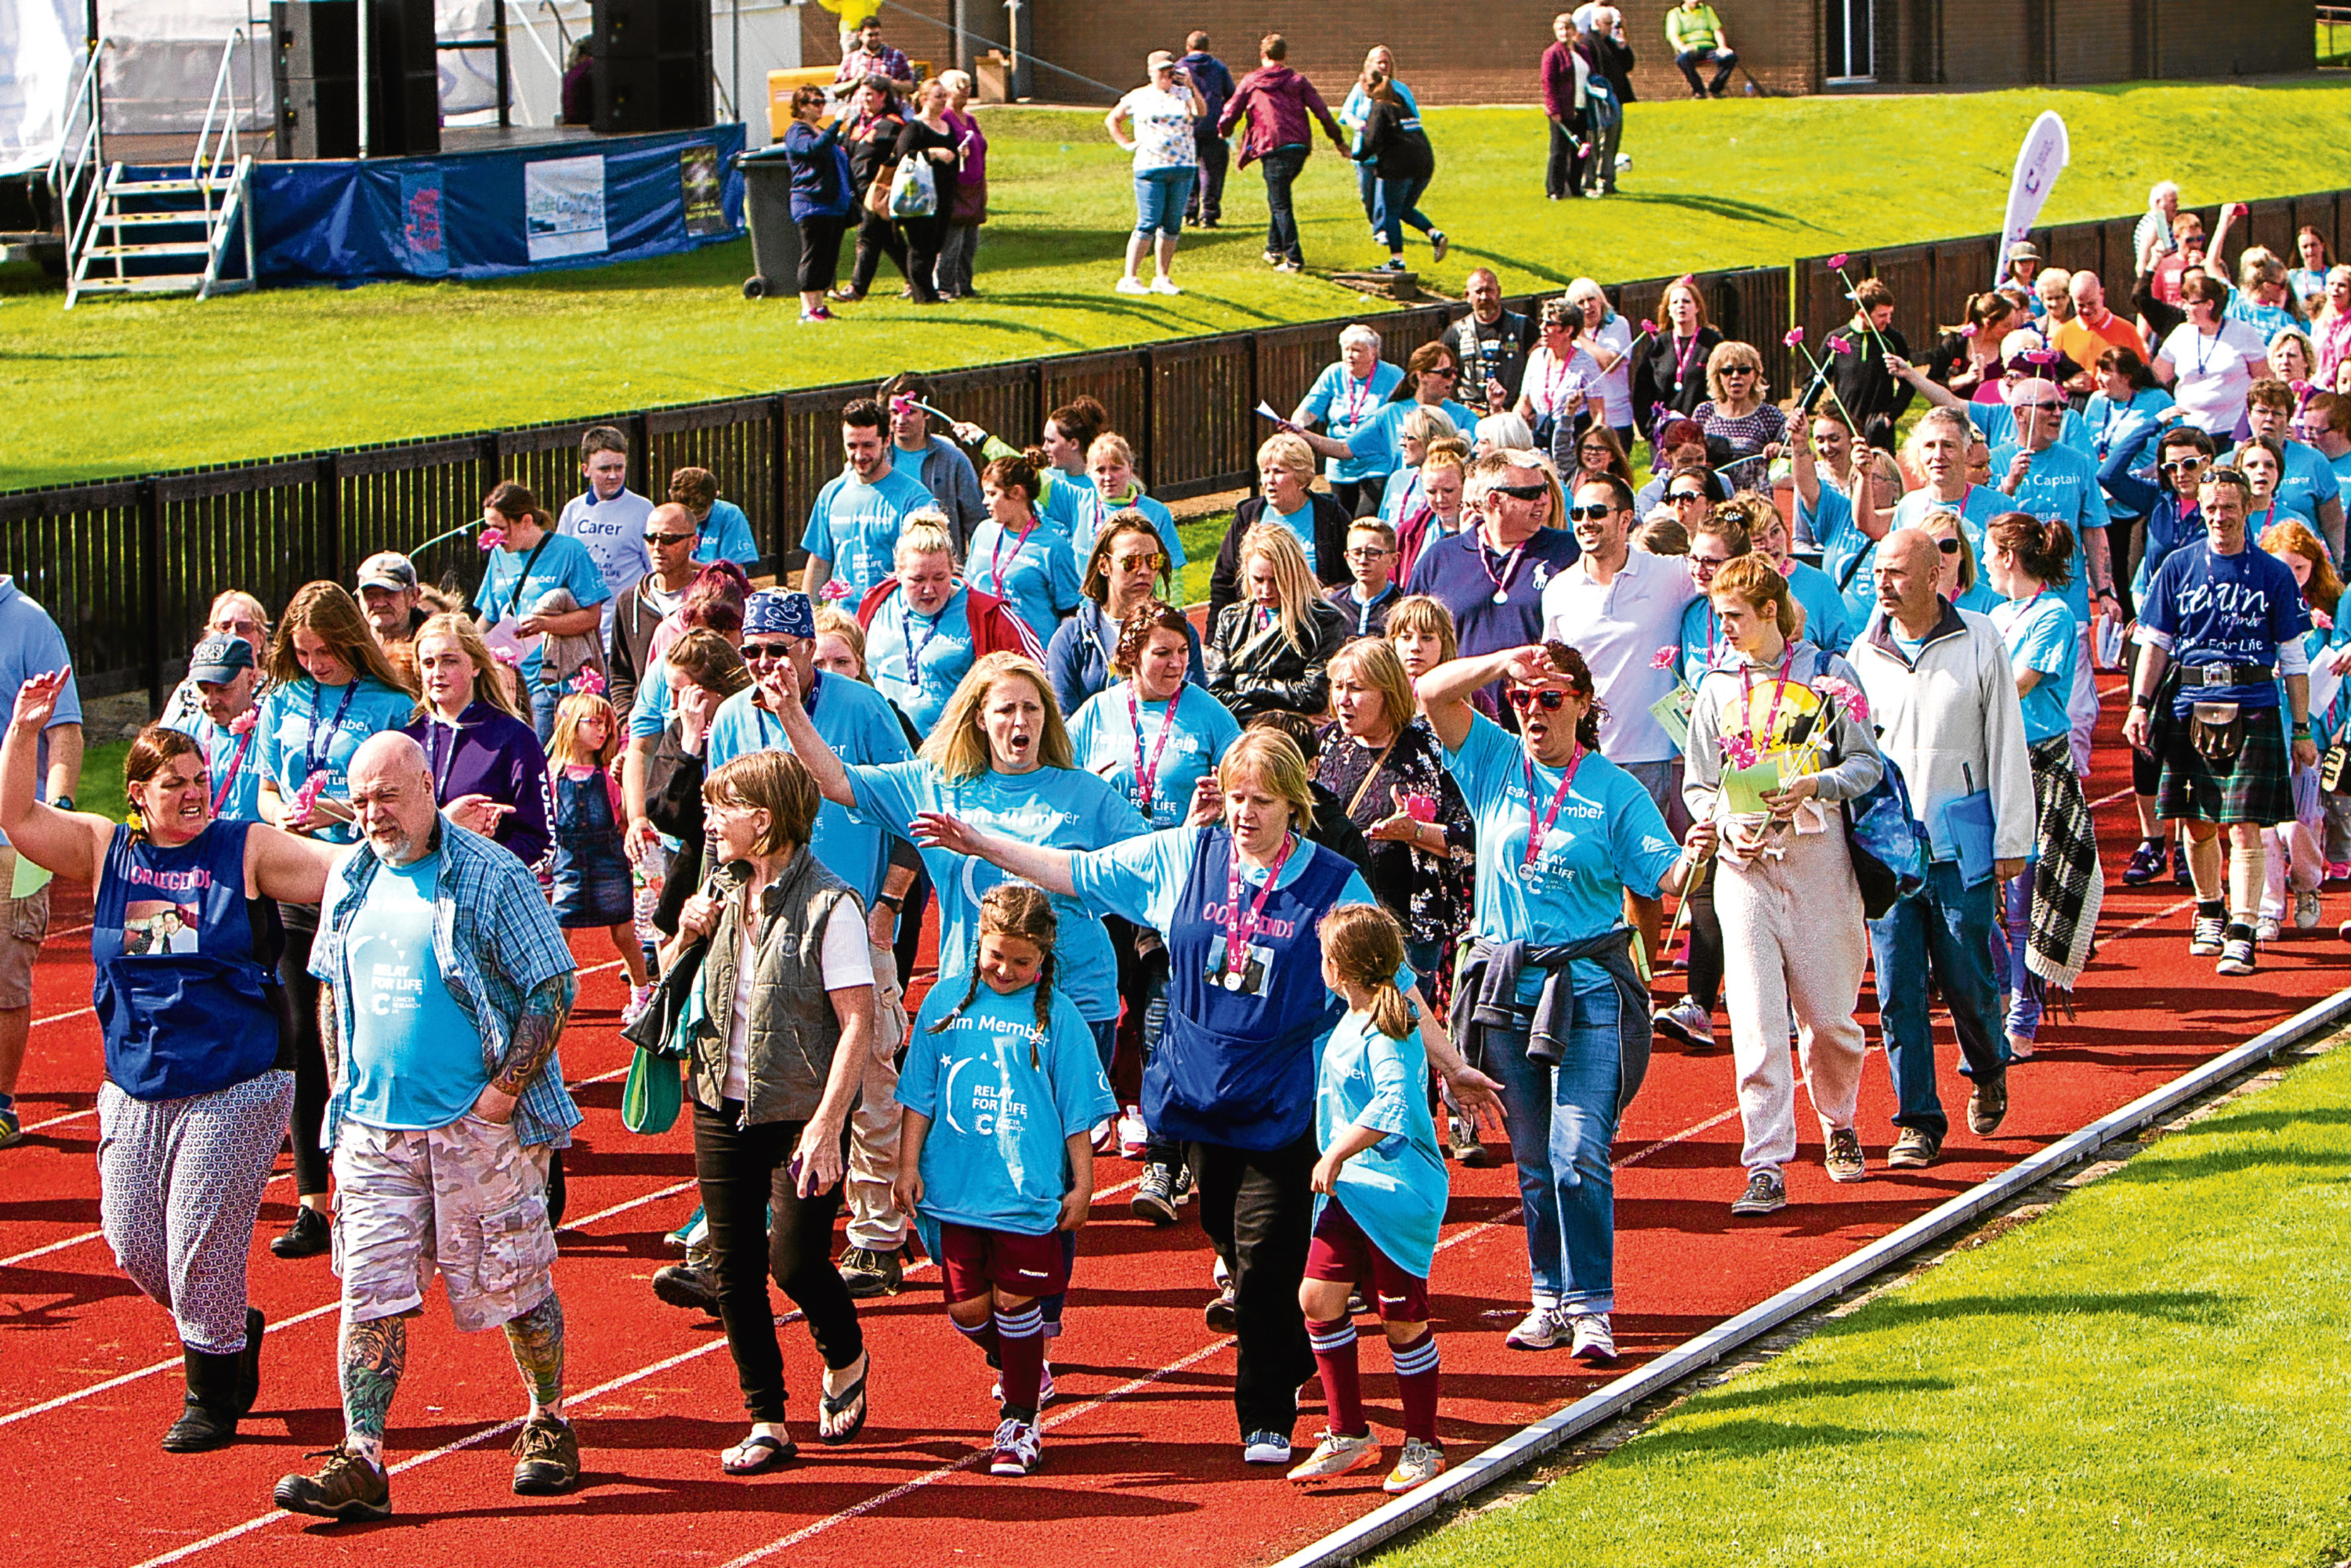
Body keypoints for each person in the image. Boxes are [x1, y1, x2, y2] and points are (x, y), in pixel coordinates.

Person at [913, 726, 1498, 1465]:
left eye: (1260, 800)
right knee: (1225, 1232)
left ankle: (1266, 1417)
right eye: (1235, 797)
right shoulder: (1184, 856)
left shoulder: (1331, 883)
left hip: (1286, 1101)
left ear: (1294, 803)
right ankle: (1289, 1355)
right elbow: (1076, 870)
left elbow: (1394, 985)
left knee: (1263, 1259)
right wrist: (980, 843)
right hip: (1198, 1094)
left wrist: (1450, 1065)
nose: (1244, 814)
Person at [2, 695, 335, 1446]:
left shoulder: (242, 846)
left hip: (238, 1079)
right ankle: (226, 1324)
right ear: (136, 796)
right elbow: (18, 819)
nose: (192, 791)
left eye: (199, 776)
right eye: (174, 782)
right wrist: (24, 733)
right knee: (133, 1245)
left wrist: (423, 834)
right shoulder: (102, 848)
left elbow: (334, 873)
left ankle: (211, 1395)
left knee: (198, 1241)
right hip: (136, 1082)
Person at [272, 733, 581, 1519]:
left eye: (390, 795)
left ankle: (548, 1418)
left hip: (473, 1124)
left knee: (516, 1286)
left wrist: (504, 1096)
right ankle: (364, 1456)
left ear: (425, 788)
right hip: (373, 1130)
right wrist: (342, 1093)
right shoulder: (349, 875)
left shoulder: (490, 874)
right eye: (363, 798)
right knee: (366, 1296)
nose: (375, 813)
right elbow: (329, 984)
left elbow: (551, 987)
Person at [1418, 639, 1682, 1361]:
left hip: (1590, 985)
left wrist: (1707, 852)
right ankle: (1547, 1297)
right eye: (1523, 700)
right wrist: (1505, 662)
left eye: (1551, 698)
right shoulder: (1494, 761)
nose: (1533, 711)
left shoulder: (1615, 789)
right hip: (1508, 988)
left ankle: (1593, 1305)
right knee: (1533, 1156)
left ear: (1583, 706)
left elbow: (1663, 871)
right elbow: (1432, 692)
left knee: (1577, 1149)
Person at [694, 590, 918, 1299]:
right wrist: (709, 904)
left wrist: (888, 905)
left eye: (778, 650)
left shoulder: (862, 708)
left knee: (871, 1070)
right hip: (758, 922)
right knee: (756, 1073)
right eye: (752, 650)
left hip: (849, 917)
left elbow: (913, 811)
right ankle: (744, 1233)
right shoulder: (731, 718)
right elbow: (714, 820)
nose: (764, 663)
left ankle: (877, 1235)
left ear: (806, 648)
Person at [780, 650, 1147, 1079]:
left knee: (1063, 1140)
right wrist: (789, 710)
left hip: (1075, 998)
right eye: (1006, 709)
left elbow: (1148, 862)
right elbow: (836, 781)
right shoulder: (933, 785)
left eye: (1032, 708)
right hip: (973, 1000)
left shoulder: (1085, 793)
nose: (1020, 721)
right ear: (979, 718)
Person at [664, 750, 877, 1472]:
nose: (709, 820)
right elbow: (668, 982)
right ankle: (767, 1418)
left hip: (798, 1109)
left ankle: (845, 1353)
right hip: (719, 1102)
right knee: (733, 1269)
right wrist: (687, 933)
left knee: (794, 1261)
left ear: (764, 819)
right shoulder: (718, 886)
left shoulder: (831, 904)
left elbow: (857, 1023)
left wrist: (826, 1123)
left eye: (722, 807)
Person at [1679, 557, 1883, 1215]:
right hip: (1745, 868)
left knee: (1829, 1020)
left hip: (1815, 856)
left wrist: (1814, 785)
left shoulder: (1828, 676)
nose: (1725, 628)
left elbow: (1866, 765)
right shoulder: (1714, 688)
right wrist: (1718, 820)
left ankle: (1839, 1117)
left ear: (1770, 610)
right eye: (1719, 616)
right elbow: (1699, 784)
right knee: (1758, 1022)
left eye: (1734, 615)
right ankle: (1764, 1161)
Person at [896, 883, 1116, 1477]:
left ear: (1045, 957)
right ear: (977, 945)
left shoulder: (1060, 1017)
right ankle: (1021, 1359)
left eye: (1023, 961)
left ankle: (1019, 1421)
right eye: (996, 956)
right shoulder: (946, 1003)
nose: (1006, 970)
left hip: (1025, 1191)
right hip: (955, 1187)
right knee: (968, 1309)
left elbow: (1078, 1108)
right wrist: (907, 1164)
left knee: (1017, 1299)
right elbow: (918, 1097)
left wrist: (1084, 1184)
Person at [1848, 531, 2033, 1169]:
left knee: (1968, 979)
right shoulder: (1862, 653)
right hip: (1889, 851)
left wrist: (2013, 838)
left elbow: (2007, 739)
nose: (1884, 583)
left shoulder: (1980, 637)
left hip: (1961, 843)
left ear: (1935, 576)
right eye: (1878, 571)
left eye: (1897, 572)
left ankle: (1987, 1066)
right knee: (1898, 991)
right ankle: (1918, 1119)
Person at [252, 583, 415, 1254]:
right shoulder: (281, 701)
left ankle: (379, 1184)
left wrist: (341, 814)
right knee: (299, 1036)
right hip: (294, 876)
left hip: (363, 880)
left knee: (364, 1031)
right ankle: (313, 1201)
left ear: (351, 643)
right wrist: (281, 817)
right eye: (303, 651)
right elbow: (263, 788)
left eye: (325, 651)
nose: (314, 663)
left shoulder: (393, 705)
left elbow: (404, 801)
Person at [1066, 597, 1241, 1217]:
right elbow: (1062, 777)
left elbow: (1248, 781)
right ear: (1130, 656)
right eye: (1161, 652)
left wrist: (1218, 802)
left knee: (1164, 1020)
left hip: (1179, 887)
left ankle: (1166, 1162)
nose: (1175, 663)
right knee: (1109, 1017)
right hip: (1106, 887)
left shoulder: (1208, 715)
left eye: (1183, 652)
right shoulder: (1095, 715)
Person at [2125, 465, 2317, 976]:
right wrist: (2140, 704)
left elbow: (2293, 658)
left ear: (2247, 508)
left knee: (2246, 826)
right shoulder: (2176, 567)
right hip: (2189, 703)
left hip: (2253, 701)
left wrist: (2300, 729)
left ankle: (2244, 928)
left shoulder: (2273, 574)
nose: (2218, 517)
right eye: (2210, 508)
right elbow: (2156, 644)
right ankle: (2209, 909)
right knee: (2196, 820)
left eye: (2228, 508)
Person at [1287, 902, 1451, 1493]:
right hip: (1351, 1193)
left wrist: (1335, 1153)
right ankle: (1349, 1432)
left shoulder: (1388, 1026)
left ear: (1342, 966)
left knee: (1401, 1317)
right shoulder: (1353, 1016)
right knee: (1317, 1297)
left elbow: (1395, 1105)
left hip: (1394, 1194)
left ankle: (1424, 1441)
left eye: (1325, 956)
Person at [1981, 513, 2099, 1064]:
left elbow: (2017, 682)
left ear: (2009, 556)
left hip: (2037, 766)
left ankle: (2023, 1013)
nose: (1981, 560)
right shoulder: (1995, 613)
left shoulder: (2052, 614)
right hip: (1990, 761)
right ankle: (2008, 988)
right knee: (1979, 897)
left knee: (2026, 899)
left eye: (1987, 550)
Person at [1316, 639, 1474, 1011]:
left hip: (1408, 928)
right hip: (1336, 922)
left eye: (1355, 688)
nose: (1342, 699)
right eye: (1338, 687)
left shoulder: (1430, 750)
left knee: (1405, 1027)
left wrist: (1415, 833)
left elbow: (1472, 839)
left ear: (1387, 691)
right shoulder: (1329, 743)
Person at [1540, 470, 1698, 817]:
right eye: (1577, 514)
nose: (1585, 522)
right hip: (1582, 756)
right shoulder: (1558, 589)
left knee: (1643, 867)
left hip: (1650, 755)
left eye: (1597, 512)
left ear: (1626, 518)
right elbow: (1555, 676)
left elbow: (1732, 579)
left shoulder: (1671, 574)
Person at [856, 516, 1041, 737]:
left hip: (953, 753)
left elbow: (1038, 678)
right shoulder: (875, 602)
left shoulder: (988, 615)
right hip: (880, 747)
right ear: (898, 571)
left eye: (939, 578)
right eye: (917, 579)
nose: (929, 590)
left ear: (953, 568)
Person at [1404, 450, 1580, 675]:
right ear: (1495, 500)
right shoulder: (1440, 558)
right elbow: (1406, 635)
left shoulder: (1569, 552)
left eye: (1544, 490)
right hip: (1461, 705)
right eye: (1531, 493)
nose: (1544, 500)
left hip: (1540, 703)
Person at [402, 612, 550, 871]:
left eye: (449, 661)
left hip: (488, 897)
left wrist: (479, 866)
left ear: (476, 666)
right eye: (428, 663)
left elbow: (541, 843)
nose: (437, 673)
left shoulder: (515, 738)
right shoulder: (407, 740)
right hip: (418, 895)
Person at [2255, 519, 2341, 939]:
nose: (2291, 576)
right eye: (2282, 566)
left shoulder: (2329, 607)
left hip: (2311, 730)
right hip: (2264, 725)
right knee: (2267, 825)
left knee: (2302, 821)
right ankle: (2269, 908)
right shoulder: (2255, 602)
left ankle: (2307, 884)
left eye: (2300, 568)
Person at [473, 480, 610, 742]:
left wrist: (545, 625)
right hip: (509, 682)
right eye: (489, 528)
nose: (495, 536)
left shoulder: (569, 551)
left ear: (526, 521)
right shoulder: (499, 556)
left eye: (500, 528)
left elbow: (592, 617)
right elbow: (489, 616)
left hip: (550, 683)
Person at [546, 689, 650, 1007]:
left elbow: (620, 818)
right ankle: (554, 996)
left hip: (608, 863)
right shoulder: (552, 774)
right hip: (569, 865)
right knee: (559, 933)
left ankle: (641, 992)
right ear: (572, 725)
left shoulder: (608, 777)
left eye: (607, 724)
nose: (603, 730)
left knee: (623, 933)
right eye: (594, 722)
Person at [1046, 510, 1204, 715]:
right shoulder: (1070, 639)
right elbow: (1063, 725)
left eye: (1154, 561)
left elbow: (1195, 708)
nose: (1145, 571)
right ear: (1104, 565)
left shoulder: (1181, 632)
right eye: (1132, 562)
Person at [1217, 33, 1349, 273]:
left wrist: (1224, 131)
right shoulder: (1298, 81)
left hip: (1272, 146)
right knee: (1278, 197)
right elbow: (1322, 112)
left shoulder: (1251, 81)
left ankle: (1294, 259)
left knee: (1280, 203)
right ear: (1285, 55)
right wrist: (1338, 140)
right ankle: (1273, 248)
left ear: (1262, 55)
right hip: (1298, 147)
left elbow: (1231, 109)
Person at [1206, 523, 1349, 725]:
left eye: (1276, 580)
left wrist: (1246, 682)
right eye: (1258, 579)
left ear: (1294, 574)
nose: (1266, 590)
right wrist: (1284, 718)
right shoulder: (1231, 619)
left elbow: (1312, 695)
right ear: (1246, 572)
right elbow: (1217, 694)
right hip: (1244, 737)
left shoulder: (1324, 621)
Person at [1207, 433, 1356, 625]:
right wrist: (1212, 640)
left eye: (1278, 472)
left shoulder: (1331, 515)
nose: (1269, 480)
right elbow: (1223, 580)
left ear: (1302, 479)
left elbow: (1355, 572)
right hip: (1257, 625)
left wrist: (1334, 591)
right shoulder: (1248, 515)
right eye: (1265, 471)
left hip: (1316, 621)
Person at [802, 399, 936, 603]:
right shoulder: (831, 494)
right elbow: (820, 562)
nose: (860, 455)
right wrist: (806, 617)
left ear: (887, 440)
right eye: (852, 446)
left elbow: (928, 568)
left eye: (868, 445)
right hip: (842, 624)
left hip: (892, 622)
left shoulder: (915, 499)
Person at [1286, 341, 1476, 483]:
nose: (1452, 379)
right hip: (1402, 496)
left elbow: (1487, 446)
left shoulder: (1463, 415)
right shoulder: (1391, 413)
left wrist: (1496, 408)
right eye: (1445, 373)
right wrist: (1303, 434)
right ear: (1422, 375)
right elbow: (1344, 448)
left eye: (1454, 372)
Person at [1107, 51, 1201, 296]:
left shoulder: (1183, 93)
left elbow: (1201, 112)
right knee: (1148, 222)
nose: (1167, 76)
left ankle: (1163, 277)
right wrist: (1127, 144)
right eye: (1162, 71)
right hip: (1150, 166)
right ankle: (1130, 277)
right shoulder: (1139, 96)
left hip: (1183, 165)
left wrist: (1192, 86)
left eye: (1170, 71)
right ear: (1151, 71)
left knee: (1172, 225)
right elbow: (1112, 120)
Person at [966, 452, 1083, 644]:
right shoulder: (983, 531)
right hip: (984, 649)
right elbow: (968, 589)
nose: (984, 502)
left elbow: (1069, 613)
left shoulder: (1053, 547)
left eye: (992, 494)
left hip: (1032, 654)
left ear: (1017, 492)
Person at [1291, 325, 1406, 520]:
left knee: (1365, 519)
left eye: (1357, 350)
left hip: (1376, 460)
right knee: (1343, 521)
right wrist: (1298, 424)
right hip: (1339, 463)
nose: (1349, 356)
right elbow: (1310, 408)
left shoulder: (1393, 375)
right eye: (1346, 350)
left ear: (1373, 353)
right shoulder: (1334, 373)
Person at [556, 427, 653, 644]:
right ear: (586, 470)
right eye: (604, 468)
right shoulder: (573, 510)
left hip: (626, 631)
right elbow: (561, 568)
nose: (613, 475)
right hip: (581, 632)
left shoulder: (643, 509)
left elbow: (654, 570)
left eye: (619, 467)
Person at [609, 501, 705, 715]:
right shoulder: (629, 601)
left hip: (695, 717)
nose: (658, 547)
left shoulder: (709, 600)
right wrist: (626, 719)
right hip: (644, 722)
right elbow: (620, 672)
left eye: (669, 539)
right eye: (651, 538)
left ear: (693, 542)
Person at [165, 634, 266, 824]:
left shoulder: (273, 729)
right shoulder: (181, 735)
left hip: (260, 846)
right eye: (203, 690)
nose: (211, 701)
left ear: (250, 681)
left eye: (222, 690)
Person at [878, 374, 987, 552]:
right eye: (894, 412)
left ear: (927, 413)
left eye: (910, 412)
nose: (900, 420)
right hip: (888, 569)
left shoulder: (952, 459)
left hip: (939, 566)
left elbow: (977, 521)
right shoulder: (876, 457)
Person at [2154, 274, 2270, 439]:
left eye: (2190, 303)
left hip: (2233, 429)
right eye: (2184, 301)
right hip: (2189, 430)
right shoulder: (2180, 334)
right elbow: (2156, 378)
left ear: (2209, 304)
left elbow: (2264, 382)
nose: (2183, 307)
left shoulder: (2242, 332)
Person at [778, 84, 857, 321]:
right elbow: (814, 149)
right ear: (801, 107)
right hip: (812, 203)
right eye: (816, 102)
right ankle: (807, 310)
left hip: (833, 204)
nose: (821, 106)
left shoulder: (820, 130)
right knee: (814, 256)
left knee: (828, 257)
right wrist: (837, 124)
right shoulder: (797, 132)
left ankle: (820, 306)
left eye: (823, 101)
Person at [1352, 71, 1444, 273]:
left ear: (1368, 87)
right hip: (1425, 163)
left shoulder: (1379, 107)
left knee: (1391, 212)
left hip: (1399, 165)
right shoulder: (1400, 102)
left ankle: (1397, 262)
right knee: (1404, 209)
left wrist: (1356, 156)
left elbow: (1371, 140)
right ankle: (1435, 235)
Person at [2244, 378, 2346, 556]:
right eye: (2262, 411)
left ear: (2289, 418)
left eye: (2277, 413)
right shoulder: (2228, 462)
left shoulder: (2314, 460)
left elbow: (2334, 525)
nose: (2269, 419)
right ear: (2248, 413)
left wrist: (2345, 572)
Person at [888, 79, 961, 306]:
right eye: (938, 96)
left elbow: (951, 158)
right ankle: (922, 295)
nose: (943, 100)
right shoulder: (914, 127)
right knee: (921, 246)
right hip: (919, 195)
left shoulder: (946, 126)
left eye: (944, 96)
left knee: (936, 245)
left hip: (944, 194)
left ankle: (930, 291)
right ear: (924, 99)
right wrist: (932, 153)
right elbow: (903, 155)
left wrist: (958, 153)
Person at [836, 78, 908, 303]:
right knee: (889, 239)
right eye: (863, 95)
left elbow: (894, 155)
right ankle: (918, 279)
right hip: (856, 189)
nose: (865, 100)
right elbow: (847, 149)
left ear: (883, 96)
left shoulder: (892, 124)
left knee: (867, 237)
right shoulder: (857, 122)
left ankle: (857, 290)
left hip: (878, 190)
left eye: (870, 95)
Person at [1631, 277, 1724, 441]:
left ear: (1697, 307)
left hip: (1704, 433)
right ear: (1668, 309)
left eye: (1687, 301)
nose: (1681, 305)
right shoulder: (1658, 345)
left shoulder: (1712, 343)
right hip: (1665, 434)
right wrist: (1651, 429)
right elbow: (1642, 392)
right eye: (1675, 302)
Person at [1813, 277, 1914, 429]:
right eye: (1882, 315)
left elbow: (1909, 383)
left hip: (1878, 429)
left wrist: (1890, 417)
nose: (1888, 320)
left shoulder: (1894, 341)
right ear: (1862, 314)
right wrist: (1801, 411)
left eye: (1889, 314)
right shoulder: (1837, 339)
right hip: (1845, 428)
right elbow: (1816, 381)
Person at [1691, 341, 1784, 491]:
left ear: (1755, 375)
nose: (1735, 376)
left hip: (1755, 502)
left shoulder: (1769, 415)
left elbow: (1803, 453)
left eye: (1744, 370)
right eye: (1727, 371)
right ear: (1718, 376)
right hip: (1715, 499)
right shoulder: (1704, 413)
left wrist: (1780, 449)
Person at [1087, 432, 1187, 569]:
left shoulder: (1156, 512)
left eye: (1115, 468)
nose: (1108, 477)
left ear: (1130, 468)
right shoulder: (1080, 505)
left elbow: (1173, 570)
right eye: (1100, 470)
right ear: (1089, 473)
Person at [1449, 270, 1534, 411]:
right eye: (1479, 291)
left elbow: (1539, 370)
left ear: (1499, 292)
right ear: (1467, 295)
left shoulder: (1523, 327)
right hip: (1470, 412)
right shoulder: (1456, 332)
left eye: (1489, 290)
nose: (1484, 296)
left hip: (1512, 411)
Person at [936, 70, 987, 301]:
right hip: (955, 186)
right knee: (952, 241)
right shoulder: (944, 119)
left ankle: (965, 285)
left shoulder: (971, 119)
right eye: (960, 87)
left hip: (975, 185)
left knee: (970, 241)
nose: (967, 91)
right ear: (947, 91)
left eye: (968, 87)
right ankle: (945, 286)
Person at [1516, 299, 1592, 453]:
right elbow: (1524, 403)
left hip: (1573, 440)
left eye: (1550, 324)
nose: (1542, 328)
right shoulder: (1536, 357)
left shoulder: (1586, 362)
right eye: (1541, 322)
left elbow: (1599, 414)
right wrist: (1513, 427)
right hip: (1540, 437)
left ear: (1568, 330)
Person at [1179, 31, 1235, 228]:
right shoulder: (1219, 68)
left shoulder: (1179, 68)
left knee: (1188, 169)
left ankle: (1189, 212)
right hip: (1213, 124)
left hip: (1186, 126)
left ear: (1188, 47)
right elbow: (1231, 96)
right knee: (1213, 171)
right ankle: (1209, 214)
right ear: (1208, 47)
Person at [1396, 444, 1473, 585]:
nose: (1440, 499)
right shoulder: (1409, 532)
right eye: (1431, 492)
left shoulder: (1483, 529)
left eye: (1448, 490)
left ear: (1464, 484)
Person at [355, 552, 429, 690]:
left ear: (414, 596)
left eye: (389, 593)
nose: (380, 603)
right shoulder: (350, 647)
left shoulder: (434, 644)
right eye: (371, 595)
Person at [1539, 13, 1590, 201]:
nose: (1565, 33)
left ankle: (1576, 188)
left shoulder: (1583, 51)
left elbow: (1590, 75)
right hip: (1562, 110)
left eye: (1568, 28)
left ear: (1574, 31)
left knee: (1580, 149)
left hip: (1582, 106)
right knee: (1559, 152)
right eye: (1561, 29)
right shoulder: (1552, 54)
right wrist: (1553, 109)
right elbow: (1548, 81)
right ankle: (1555, 189)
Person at [666, 468, 758, 567]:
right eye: (688, 512)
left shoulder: (730, 515)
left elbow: (734, 573)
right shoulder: (667, 517)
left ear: (716, 495)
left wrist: (686, 564)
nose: (694, 518)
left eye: (700, 512)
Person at [1334, 519, 1403, 639]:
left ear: (1394, 560)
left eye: (1373, 553)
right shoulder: (1333, 605)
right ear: (1347, 558)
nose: (1363, 561)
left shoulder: (1403, 605)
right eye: (1356, 553)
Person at [1666, 0, 1737, 97]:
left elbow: (1717, 29)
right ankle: (1699, 91)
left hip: (1709, 49)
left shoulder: (1707, 10)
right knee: (1682, 59)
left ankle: (1715, 89)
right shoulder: (1675, 14)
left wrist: (1722, 47)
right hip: (1691, 49)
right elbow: (1673, 36)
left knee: (1730, 57)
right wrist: (1682, 47)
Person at [835, 16, 914, 103]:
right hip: (858, 112)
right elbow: (836, 90)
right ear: (860, 35)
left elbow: (911, 86)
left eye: (877, 34)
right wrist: (856, 81)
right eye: (870, 35)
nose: (874, 38)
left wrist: (890, 82)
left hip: (888, 113)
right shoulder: (851, 59)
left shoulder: (896, 56)